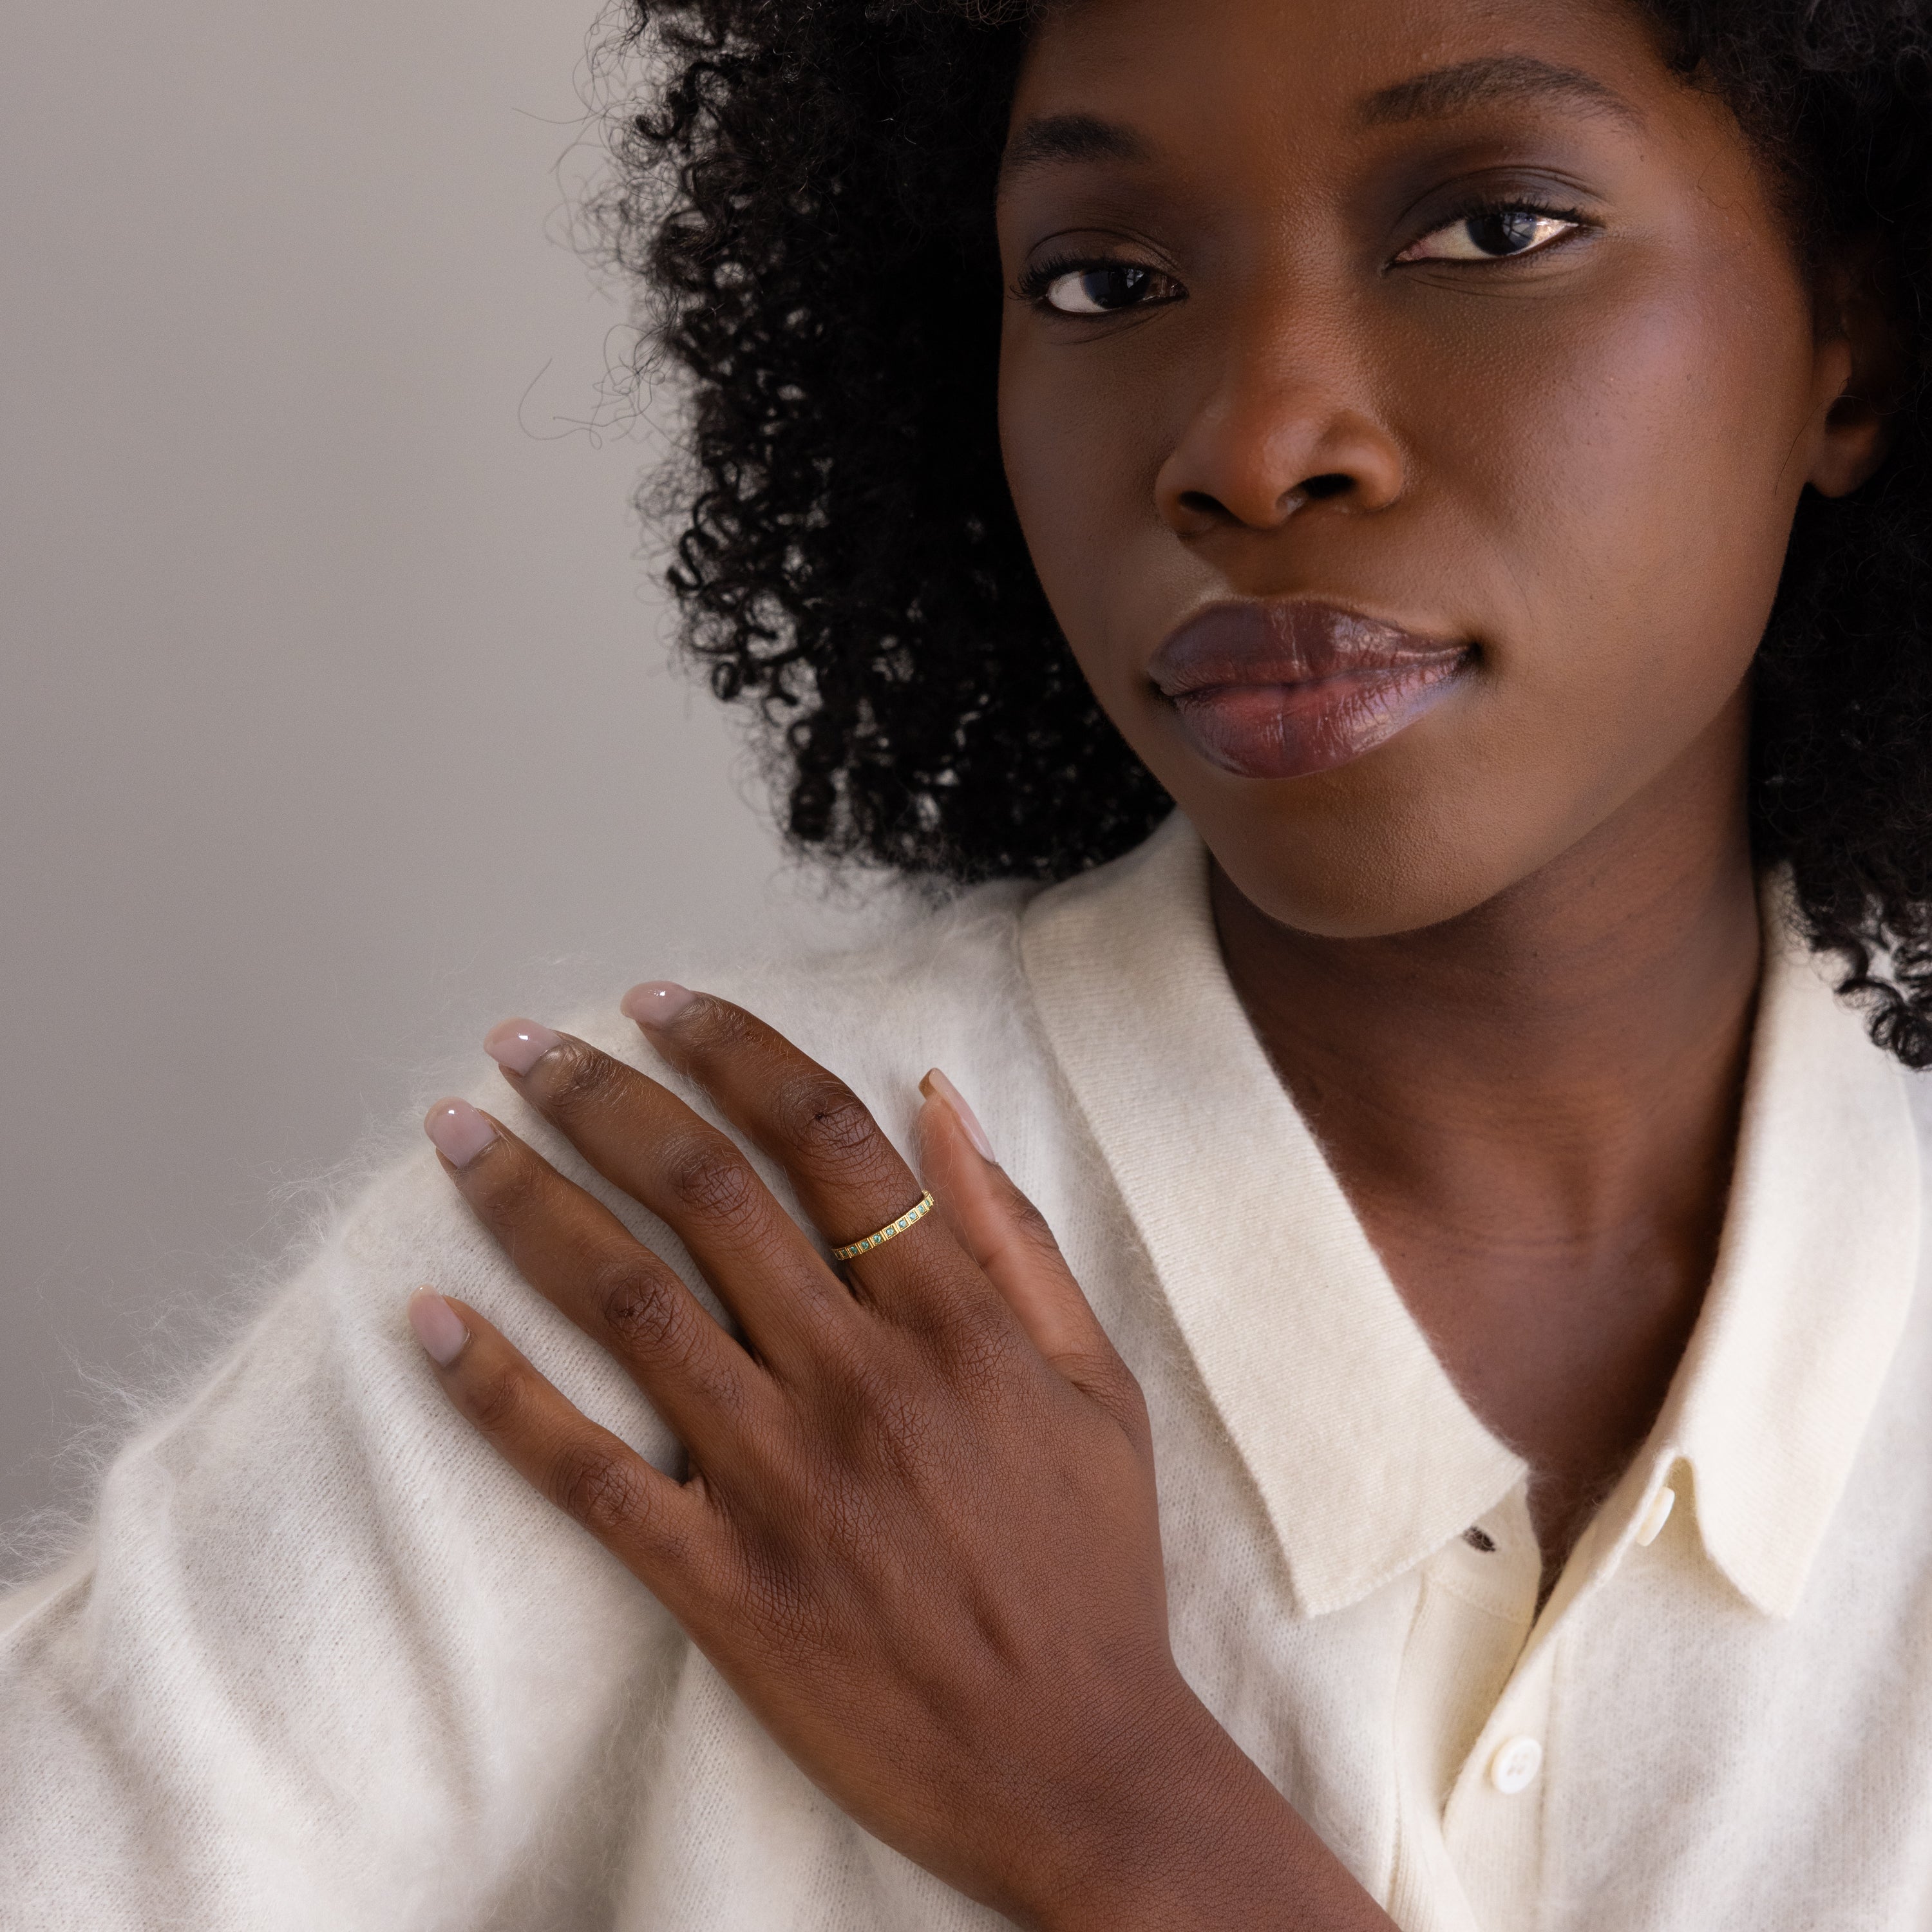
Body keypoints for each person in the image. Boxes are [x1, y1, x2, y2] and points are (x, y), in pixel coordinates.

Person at [5, 0, 1931, 1924]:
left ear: (1857, 331)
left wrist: (1117, 1808)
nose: (1254, 448)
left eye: (1492, 232)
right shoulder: (692, 1264)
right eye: (1104, 279)